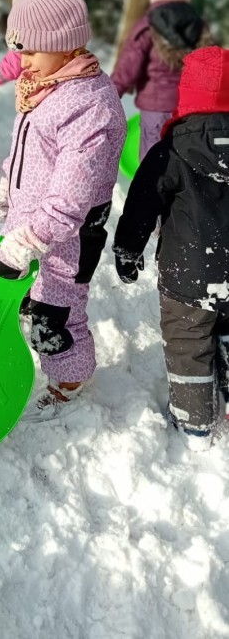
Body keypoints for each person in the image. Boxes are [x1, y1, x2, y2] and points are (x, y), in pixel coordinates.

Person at [0, 0, 126, 420]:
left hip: (68, 233)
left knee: (56, 313)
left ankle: (70, 380)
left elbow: (70, 195)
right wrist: (8, 184)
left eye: (30, 50)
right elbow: (27, 147)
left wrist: (28, 240)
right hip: (35, 222)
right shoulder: (46, 84)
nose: (22, 61)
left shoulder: (88, 106)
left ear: (65, 46)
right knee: (32, 300)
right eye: (18, 50)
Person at [113, 46, 229, 451]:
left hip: (187, 275)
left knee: (188, 342)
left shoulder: (172, 150)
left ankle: (196, 425)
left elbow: (142, 204)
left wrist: (127, 250)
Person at [111, 0, 213, 160]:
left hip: (156, 109)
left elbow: (128, 69)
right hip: (191, 108)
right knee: (184, 160)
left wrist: (109, 94)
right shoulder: (199, 24)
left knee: (154, 162)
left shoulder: (148, 25)